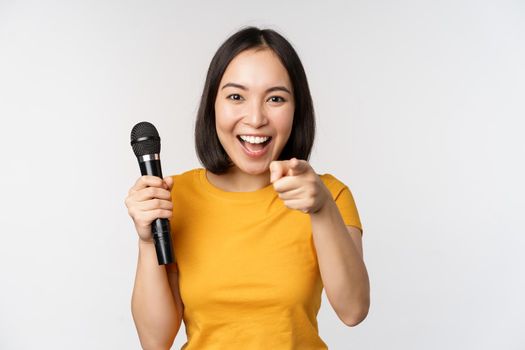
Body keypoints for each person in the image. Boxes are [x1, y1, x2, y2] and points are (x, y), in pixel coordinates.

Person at [125, 26, 370, 350]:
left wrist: (322, 208)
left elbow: (353, 310)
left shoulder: (327, 195)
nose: (255, 118)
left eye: (276, 98)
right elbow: (155, 342)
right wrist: (146, 241)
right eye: (236, 96)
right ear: (213, 104)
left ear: (297, 109)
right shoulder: (175, 197)